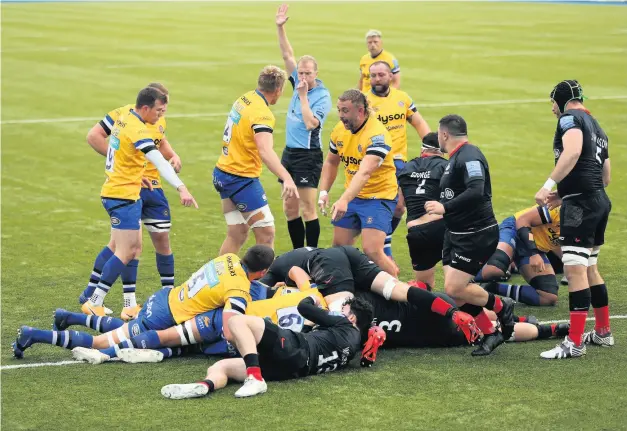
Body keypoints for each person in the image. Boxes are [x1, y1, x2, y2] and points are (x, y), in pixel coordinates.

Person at [11, 246, 274, 359]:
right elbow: (230, 329)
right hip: (164, 317)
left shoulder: (227, 258)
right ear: (261, 272)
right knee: (101, 343)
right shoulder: (239, 289)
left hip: (165, 299)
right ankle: (34, 335)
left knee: (121, 330)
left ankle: (69, 317)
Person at [80, 87, 197, 318]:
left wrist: (133, 173)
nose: (160, 116)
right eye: (158, 111)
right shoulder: (137, 128)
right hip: (121, 194)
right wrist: (181, 187)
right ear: (145, 108)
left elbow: (124, 154)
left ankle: (124, 304)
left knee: (131, 249)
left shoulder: (124, 118)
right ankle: (94, 301)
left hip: (124, 190)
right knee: (125, 250)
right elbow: (159, 161)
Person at [160, 295, 375, 399]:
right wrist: (309, 327)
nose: (337, 311)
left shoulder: (344, 323)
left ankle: (254, 377)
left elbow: (303, 307)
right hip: (292, 368)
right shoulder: (354, 345)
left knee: (237, 321)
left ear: (351, 316)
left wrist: (313, 300)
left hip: (295, 348)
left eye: (342, 309)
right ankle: (204, 386)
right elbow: (318, 343)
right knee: (222, 366)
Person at [259, 246, 482, 344]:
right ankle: (453, 312)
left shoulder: (274, 270)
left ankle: (372, 334)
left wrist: (309, 292)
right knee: (399, 290)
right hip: (348, 257)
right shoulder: (286, 261)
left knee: (341, 317)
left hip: (331, 263)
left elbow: (288, 277)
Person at [424, 114, 515, 356]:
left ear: (444, 135)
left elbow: (476, 189)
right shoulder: (455, 158)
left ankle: (501, 305)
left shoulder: (470, 155)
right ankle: (490, 333)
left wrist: (445, 208)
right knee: (459, 292)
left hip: (476, 235)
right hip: (454, 234)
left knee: (455, 289)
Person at [534, 80, 612, 359]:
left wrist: (548, 185)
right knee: (590, 267)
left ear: (562, 99)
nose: (553, 109)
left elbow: (574, 151)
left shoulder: (569, 119)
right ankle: (603, 332)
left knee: (575, 270)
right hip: (598, 201)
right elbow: (605, 176)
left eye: (553, 102)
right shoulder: (598, 126)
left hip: (581, 206)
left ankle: (574, 343)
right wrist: (562, 195)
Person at [213, 65, 299, 255]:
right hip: (240, 179)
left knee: (237, 233)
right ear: (278, 90)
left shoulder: (245, 98)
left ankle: (222, 280)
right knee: (266, 234)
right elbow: (265, 150)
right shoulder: (262, 114)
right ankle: (260, 283)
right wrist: (287, 177)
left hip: (223, 173)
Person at [318, 90, 399, 276]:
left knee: (372, 250)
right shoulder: (339, 130)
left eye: (345, 111)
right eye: (339, 110)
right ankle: (350, 286)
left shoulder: (377, 135)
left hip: (379, 197)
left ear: (360, 111)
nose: (341, 116)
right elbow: (331, 162)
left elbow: (365, 172)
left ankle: (399, 290)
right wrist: (324, 191)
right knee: (339, 247)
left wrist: (344, 200)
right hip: (354, 195)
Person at [275, 4, 332, 249]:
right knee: (289, 207)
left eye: (308, 73)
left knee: (308, 207)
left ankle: (312, 254)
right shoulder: (298, 81)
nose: (304, 77)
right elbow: (287, 55)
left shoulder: (322, 96)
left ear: (316, 73)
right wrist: (280, 27)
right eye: (301, 73)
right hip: (289, 153)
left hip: (308, 156)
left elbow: (310, 124)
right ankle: (298, 253)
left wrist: (303, 96)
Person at [366, 61, 430, 259]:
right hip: (373, 160)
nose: (377, 79)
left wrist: (431, 146)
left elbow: (418, 122)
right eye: (373, 75)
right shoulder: (364, 101)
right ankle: (379, 247)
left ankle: (384, 241)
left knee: (400, 206)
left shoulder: (402, 99)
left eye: (381, 74)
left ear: (390, 76)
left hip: (397, 161)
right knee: (378, 205)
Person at [358, 290, 570, 348]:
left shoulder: (348, 329)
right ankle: (515, 316)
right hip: (434, 303)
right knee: (471, 310)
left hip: (435, 332)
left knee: (495, 330)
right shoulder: (356, 292)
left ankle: (551, 330)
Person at [476, 204, 562, 306]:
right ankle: (458, 283)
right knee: (494, 269)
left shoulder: (581, 225)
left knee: (548, 296)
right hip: (515, 230)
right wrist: (533, 253)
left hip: (534, 247)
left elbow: (559, 242)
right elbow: (522, 220)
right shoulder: (559, 209)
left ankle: (490, 287)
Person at [397, 132, 447, 288]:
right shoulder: (446, 166)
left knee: (424, 286)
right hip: (442, 227)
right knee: (459, 282)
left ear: (422, 150)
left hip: (417, 233)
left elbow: (399, 207)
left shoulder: (405, 168)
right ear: (442, 151)